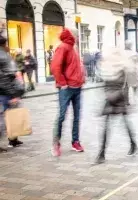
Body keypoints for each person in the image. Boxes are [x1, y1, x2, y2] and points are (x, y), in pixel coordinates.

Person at [96, 47, 138, 164]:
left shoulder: (120, 68)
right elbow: (107, 85)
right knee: (111, 125)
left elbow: (124, 85)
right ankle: (102, 153)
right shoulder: (110, 67)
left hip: (117, 97)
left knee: (121, 123)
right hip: (112, 97)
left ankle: (103, 153)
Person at [51, 28, 85, 157]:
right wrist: (63, 83)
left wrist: (82, 78)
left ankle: (75, 141)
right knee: (61, 116)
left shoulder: (73, 48)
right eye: (76, 34)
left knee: (76, 117)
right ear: (72, 35)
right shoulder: (63, 47)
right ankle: (56, 143)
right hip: (66, 88)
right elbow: (55, 66)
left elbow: (76, 66)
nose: (78, 36)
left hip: (77, 87)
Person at [0, 27, 25, 150]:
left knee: (10, 115)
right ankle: (12, 140)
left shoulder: (5, 55)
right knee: (6, 117)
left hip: (5, 91)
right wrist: (14, 94)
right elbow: (10, 76)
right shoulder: (4, 57)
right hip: (5, 92)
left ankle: (13, 139)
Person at [124, 40, 138, 106]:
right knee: (134, 86)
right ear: (131, 46)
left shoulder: (122, 53)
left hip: (124, 71)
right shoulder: (134, 53)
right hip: (132, 71)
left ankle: (126, 101)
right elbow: (137, 64)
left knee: (125, 87)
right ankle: (135, 99)